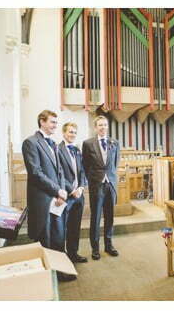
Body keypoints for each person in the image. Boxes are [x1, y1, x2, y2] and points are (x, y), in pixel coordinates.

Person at [22, 110, 70, 280]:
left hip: (56, 200)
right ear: (41, 122)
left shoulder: (54, 144)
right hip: (42, 199)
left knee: (58, 236)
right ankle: (46, 277)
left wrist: (61, 193)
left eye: (56, 123)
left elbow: (60, 172)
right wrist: (57, 190)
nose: (55, 126)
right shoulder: (30, 142)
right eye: (52, 122)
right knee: (45, 238)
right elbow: (35, 173)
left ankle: (59, 271)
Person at [82, 115, 120, 261]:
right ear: (95, 127)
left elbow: (115, 163)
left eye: (105, 125)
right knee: (96, 217)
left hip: (110, 184)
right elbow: (85, 165)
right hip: (96, 185)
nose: (103, 127)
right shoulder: (88, 144)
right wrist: (93, 179)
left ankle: (109, 245)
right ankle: (95, 248)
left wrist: (110, 177)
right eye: (100, 125)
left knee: (110, 217)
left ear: (107, 126)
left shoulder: (114, 143)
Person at [57, 122, 87, 264]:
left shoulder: (77, 150)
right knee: (62, 228)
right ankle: (62, 257)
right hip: (66, 196)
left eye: (75, 132)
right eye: (70, 132)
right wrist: (72, 190)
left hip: (79, 196)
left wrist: (81, 187)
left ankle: (73, 253)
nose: (73, 134)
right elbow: (59, 173)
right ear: (64, 133)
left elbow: (82, 171)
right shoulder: (58, 149)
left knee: (75, 227)